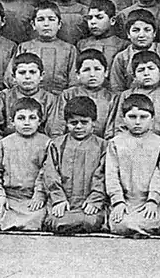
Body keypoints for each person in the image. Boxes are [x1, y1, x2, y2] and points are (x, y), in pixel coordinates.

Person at [0, 97, 50, 231]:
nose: (26, 123)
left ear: (40, 121)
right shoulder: (4, 144)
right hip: (7, 197)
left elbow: (47, 173)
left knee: (33, 222)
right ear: (12, 121)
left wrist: (40, 195)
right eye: (21, 118)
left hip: (32, 198)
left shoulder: (47, 144)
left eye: (32, 118)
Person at [105, 94, 160, 237]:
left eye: (143, 117)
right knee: (119, 222)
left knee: (152, 219)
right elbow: (111, 175)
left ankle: (138, 228)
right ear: (124, 118)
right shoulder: (116, 143)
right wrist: (118, 202)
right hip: (126, 201)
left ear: (152, 119)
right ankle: (135, 228)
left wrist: (153, 200)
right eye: (132, 117)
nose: (138, 122)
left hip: (151, 202)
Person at [42, 96, 107, 234]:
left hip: (89, 203)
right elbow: (50, 174)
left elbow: (104, 175)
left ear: (93, 123)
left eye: (84, 122)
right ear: (66, 123)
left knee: (91, 221)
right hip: (64, 202)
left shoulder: (103, 146)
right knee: (56, 221)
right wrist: (58, 200)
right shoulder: (57, 145)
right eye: (73, 122)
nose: (78, 127)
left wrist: (95, 199)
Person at [106, 51, 160, 149]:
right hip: (128, 146)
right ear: (134, 76)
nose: (146, 73)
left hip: (157, 147)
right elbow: (119, 125)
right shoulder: (125, 95)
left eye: (151, 68)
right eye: (141, 70)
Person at [0, 53, 65, 141]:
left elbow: (54, 131)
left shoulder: (51, 100)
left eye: (32, 72)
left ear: (41, 75)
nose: (27, 76)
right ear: (14, 77)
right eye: (22, 72)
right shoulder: (4, 97)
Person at [9, 2, 79, 94]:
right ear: (33, 24)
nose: (46, 24)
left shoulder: (69, 49)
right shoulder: (24, 47)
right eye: (41, 19)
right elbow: (11, 77)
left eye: (51, 19)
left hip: (59, 97)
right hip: (29, 96)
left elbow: (74, 81)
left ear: (59, 24)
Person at [109, 9, 160, 93]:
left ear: (154, 33)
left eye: (147, 30)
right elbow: (117, 87)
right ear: (128, 34)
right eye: (135, 30)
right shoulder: (122, 57)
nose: (141, 35)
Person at [60, 49, 117, 138]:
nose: (92, 74)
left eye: (97, 69)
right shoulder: (68, 95)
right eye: (86, 70)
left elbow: (111, 130)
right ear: (78, 74)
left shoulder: (112, 98)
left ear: (106, 72)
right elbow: (59, 125)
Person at [77, 0, 129, 67]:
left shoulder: (123, 45)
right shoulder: (82, 44)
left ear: (112, 20)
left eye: (99, 17)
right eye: (90, 18)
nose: (93, 22)